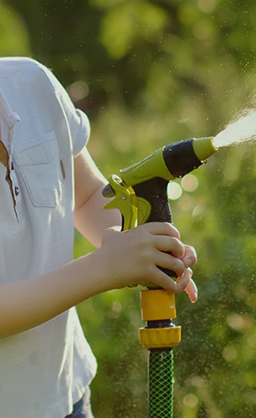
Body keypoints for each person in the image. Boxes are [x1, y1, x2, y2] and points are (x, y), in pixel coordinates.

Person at [0, 57, 198, 417]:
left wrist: (147, 247)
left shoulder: (32, 83)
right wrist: (105, 267)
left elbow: (88, 195)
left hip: (69, 395)